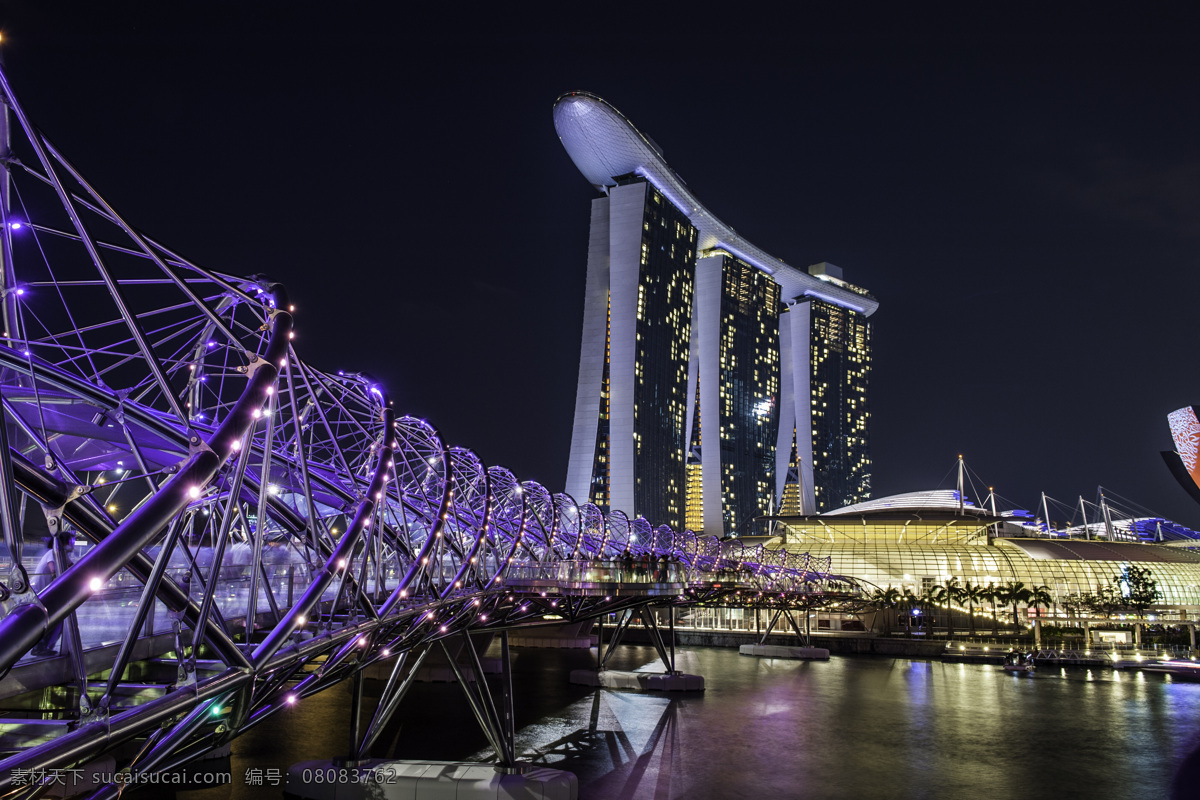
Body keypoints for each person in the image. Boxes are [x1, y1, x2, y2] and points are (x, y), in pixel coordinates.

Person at [31, 536, 71, 657]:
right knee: (54, 619)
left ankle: (44, 646)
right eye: (71, 541)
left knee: (56, 619)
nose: (73, 544)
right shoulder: (53, 553)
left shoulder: (62, 553)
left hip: (48, 591)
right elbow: (54, 569)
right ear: (64, 542)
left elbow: (72, 565)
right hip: (40, 592)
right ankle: (40, 647)